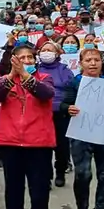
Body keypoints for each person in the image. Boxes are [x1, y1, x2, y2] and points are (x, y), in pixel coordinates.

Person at [0, 45, 56, 209]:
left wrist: (25, 75)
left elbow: (45, 94)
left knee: (39, 190)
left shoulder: (44, 78)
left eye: (29, 57)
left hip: (39, 143)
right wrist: (12, 74)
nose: (25, 61)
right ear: (13, 61)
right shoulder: (5, 81)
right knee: (13, 189)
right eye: (21, 58)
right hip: (10, 142)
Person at [59, 46, 104, 209]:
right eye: (88, 60)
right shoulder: (75, 83)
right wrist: (69, 108)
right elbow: (63, 105)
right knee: (83, 174)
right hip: (81, 135)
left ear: (102, 62)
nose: (93, 63)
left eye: (96, 60)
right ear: (81, 63)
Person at [40, 39, 76, 187]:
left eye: (50, 50)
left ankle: (60, 171)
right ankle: (46, 176)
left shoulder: (64, 70)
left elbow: (71, 90)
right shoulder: (35, 69)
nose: (46, 53)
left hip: (61, 112)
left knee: (61, 146)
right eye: (44, 50)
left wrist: (65, 106)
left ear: (57, 53)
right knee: (43, 147)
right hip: (41, 113)